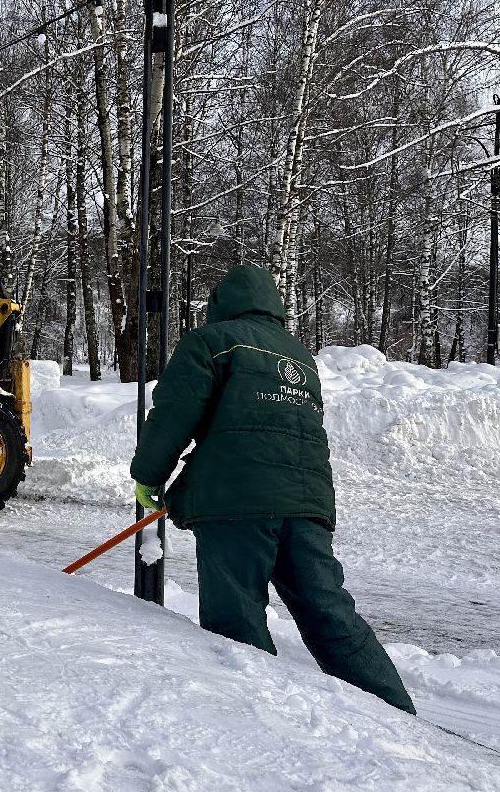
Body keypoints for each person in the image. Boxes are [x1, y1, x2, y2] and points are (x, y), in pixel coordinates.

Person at [129, 262, 414, 714]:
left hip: (235, 502)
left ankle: (258, 720)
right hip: (306, 503)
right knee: (328, 611)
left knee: (236, 616)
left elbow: (174, 411)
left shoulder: (211, 342)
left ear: (220, 304)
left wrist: (149, 475)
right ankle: (396, 711)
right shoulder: (299, 357)